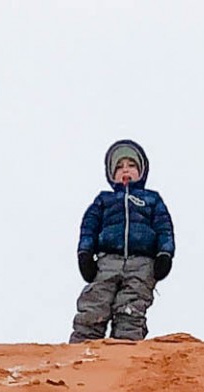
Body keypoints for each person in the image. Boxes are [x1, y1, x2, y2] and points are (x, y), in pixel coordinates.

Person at [70, 139, 175, 343]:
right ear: (111, 174)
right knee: (94, 306)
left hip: (142, 264)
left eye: (131, 165)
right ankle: (80, 355)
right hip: (107, 261)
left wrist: (165, 254)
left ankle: (124, 357)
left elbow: (164, 228)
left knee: (131, 310)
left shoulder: (151, 200)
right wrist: (84, 254)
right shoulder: (104, 200)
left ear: (141, 171)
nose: (125, 170)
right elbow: (88, 227)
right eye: (119, 167)